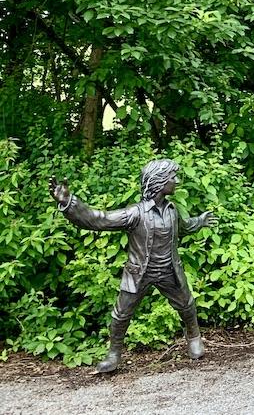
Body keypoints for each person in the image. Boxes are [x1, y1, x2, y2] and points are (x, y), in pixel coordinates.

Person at [49, 159, 218, 373]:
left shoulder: (172, 211)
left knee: (186, 305)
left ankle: (194, 337)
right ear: (160, 181)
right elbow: (99, 219)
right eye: (172, 177)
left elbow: (183, 228)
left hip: (169, 270)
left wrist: (200, 221)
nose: (177, 181)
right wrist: (69, 203)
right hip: (139, 273)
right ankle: (113, 355)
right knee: (121, 314)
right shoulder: (135, 214)